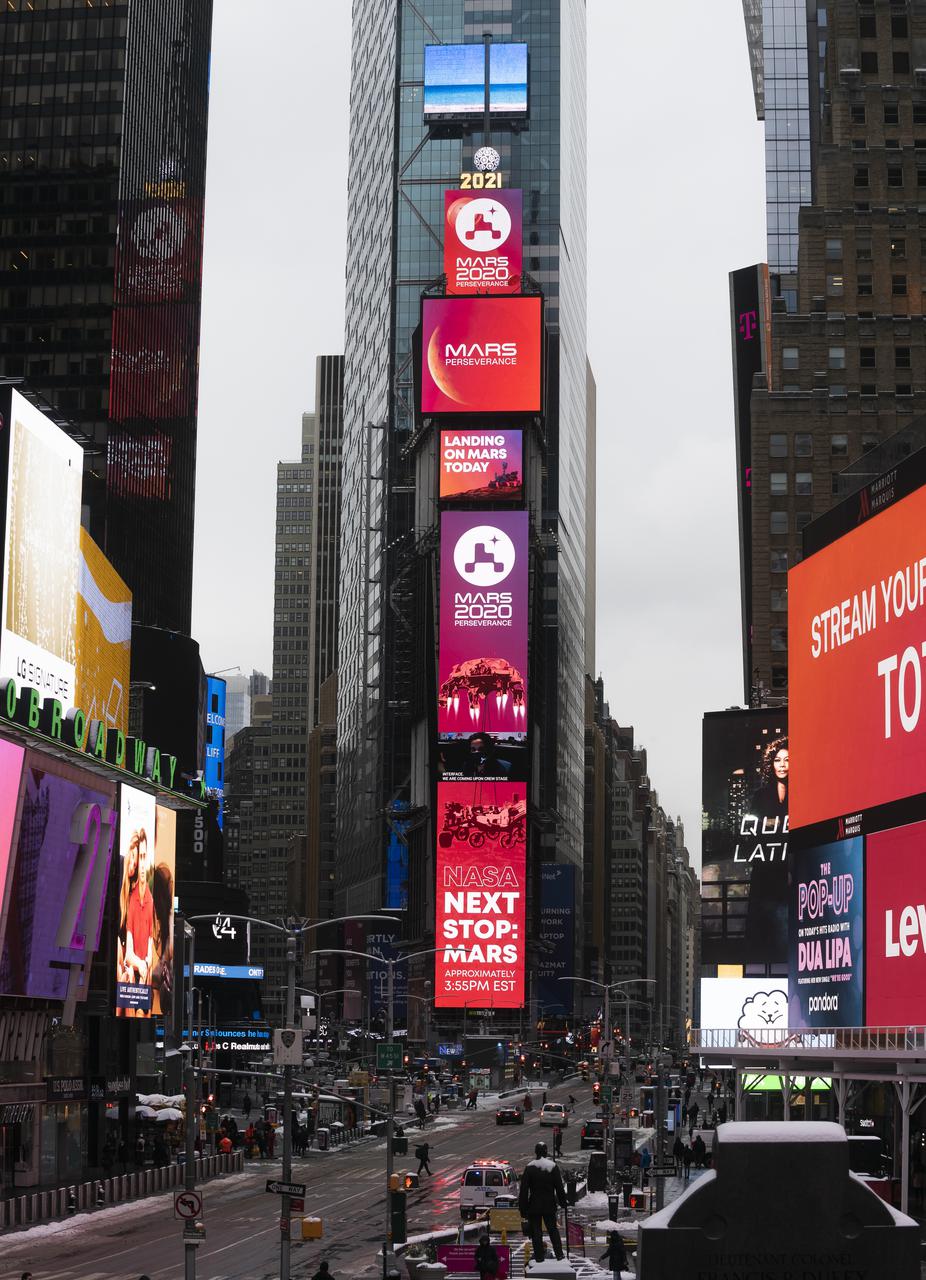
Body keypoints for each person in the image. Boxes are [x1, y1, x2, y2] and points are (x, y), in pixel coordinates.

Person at [518, 1141, 567, 1263]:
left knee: (536, 1232)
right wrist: (563, 1202)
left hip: (534, 1205)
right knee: (553, 1230)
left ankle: (539, 1257)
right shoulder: (552, 1167)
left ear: (535, 1152)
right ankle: (559, 1254)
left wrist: (523, 1209)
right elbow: (559, 1188)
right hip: (549, 1204)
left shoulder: (530, 1168)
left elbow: (524, 1191)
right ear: (545, 1152)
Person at [124, 829, 154, 1002]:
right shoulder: (130, 899)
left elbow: (150, 948)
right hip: (130, 982)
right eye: (139, 857)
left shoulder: (152, 901)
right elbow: (128, 953)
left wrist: (146, 964)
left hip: (144, 980)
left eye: (144, 857)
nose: (141, 865)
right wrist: (140, 964)